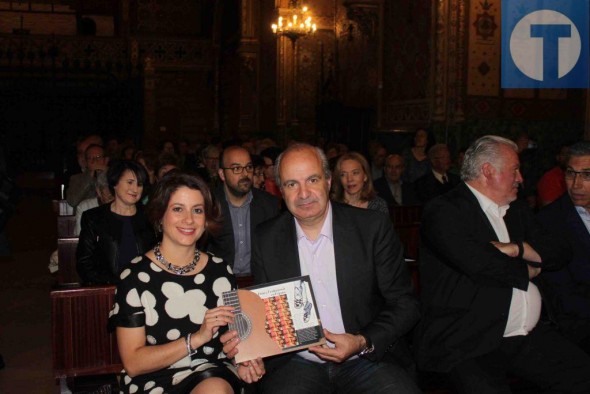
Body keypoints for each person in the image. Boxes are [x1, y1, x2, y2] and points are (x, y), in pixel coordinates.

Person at [223, 143, 421, 393]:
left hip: (366, 358)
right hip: (297, 362)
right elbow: (265, 312)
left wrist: (361, 341)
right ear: (281, 190)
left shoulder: (371, 228)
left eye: (312, 180)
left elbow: (406, 304)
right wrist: (247, 348)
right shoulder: (267, 237)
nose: (303, 193)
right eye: (292, 184)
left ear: (328, 181)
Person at [415, 135, 590, 393]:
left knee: (583, 374)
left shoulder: (516, 210)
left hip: (524, 336)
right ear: (488, 171)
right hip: (468, 340)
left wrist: (519, 248)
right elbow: (481, 265)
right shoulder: (445, 210)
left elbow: (560, 251)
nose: (521, 178)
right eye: (515, 170)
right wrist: (529, 267)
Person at [108, 172, 264, 393]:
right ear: (160, 216)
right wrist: (196, 339)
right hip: (153, 380)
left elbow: (236, 339)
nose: (189, 219)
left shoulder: (221, 270)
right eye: (178, 209)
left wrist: (245, 360)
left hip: (212, 373)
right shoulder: (134, 277)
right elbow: (133, 364)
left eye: (197, 210)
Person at [537, 141, 590, 354]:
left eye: (587, 175)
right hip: (579, 330)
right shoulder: (549, 222)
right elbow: (562, 299)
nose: (576, 185)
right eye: (571, 174)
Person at [77, 160, 156, 285]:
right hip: (108, 289)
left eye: (139, 184)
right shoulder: (94, 217)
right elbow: (84, 263)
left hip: (145, 286)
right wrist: (112, 284)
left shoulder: (150, 216)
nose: (135, 189)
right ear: (115, 183)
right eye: (130, 182)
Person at [207, 146, 280, 276]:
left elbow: (276, 250)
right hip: (219, 279)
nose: (245, 174)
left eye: (249, 167)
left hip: (258, 280)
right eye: (236, 169)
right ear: (222, 174)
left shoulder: (270, 204)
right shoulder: (209, 204)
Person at [74, 169, 114, 236]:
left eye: (112, 187)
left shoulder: (124, 207)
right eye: (105, 187)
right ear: (98, 191)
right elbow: (80, 237)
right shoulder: (85, 207)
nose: (110, 192)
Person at [537, 143, 570, 207]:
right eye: (564, 154)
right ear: (558, 157)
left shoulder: (577, 176)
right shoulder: (550, 178)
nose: (568, 157)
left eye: (570, 154)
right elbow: (550, 209)